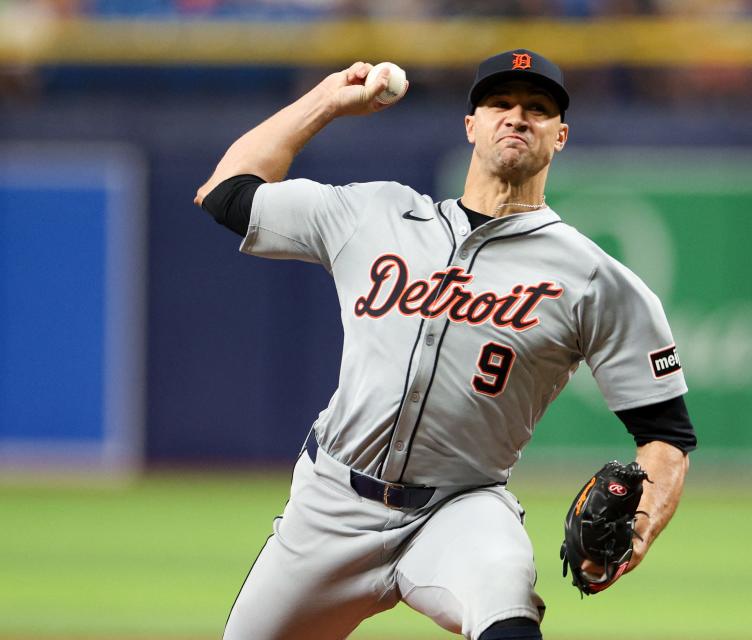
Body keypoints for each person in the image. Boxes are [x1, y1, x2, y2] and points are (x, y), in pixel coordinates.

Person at [195, 49, 697, 640]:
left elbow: (667, 433)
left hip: (459, 509)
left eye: (537, 108)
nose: (517, 116)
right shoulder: (373, 214)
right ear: (471, 126)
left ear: (560, 136)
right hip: (330, 504)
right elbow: (226, 192)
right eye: (500, 103)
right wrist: (328, 100)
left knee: (506, 601)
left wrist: (636, 534)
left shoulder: (594, 279)